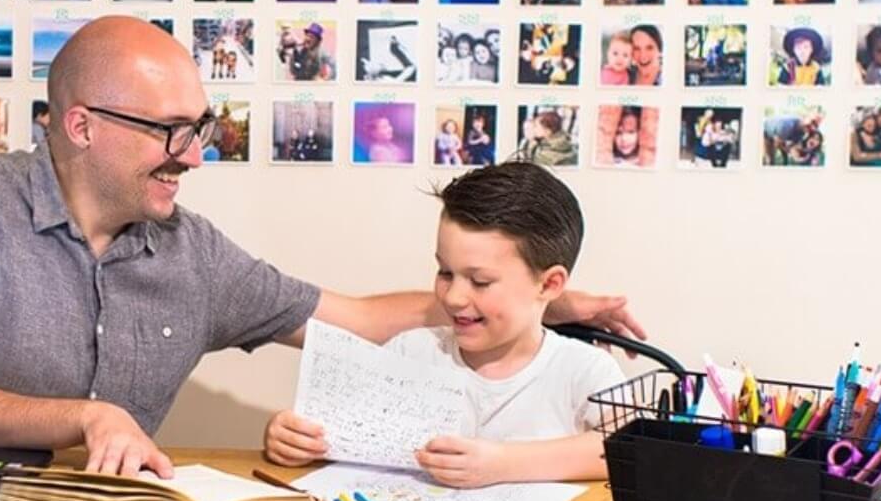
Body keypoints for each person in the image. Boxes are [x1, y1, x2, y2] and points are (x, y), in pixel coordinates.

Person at [0, 17, 642, 476]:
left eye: (202, 129)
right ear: (83, 127)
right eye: (170, 132)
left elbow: (355, 320)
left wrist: (531, 302)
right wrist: (86, 416)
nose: (193, 155)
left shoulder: (193, 253)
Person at [265, 161, 623, 484]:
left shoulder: (584, 371)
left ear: (549, 284)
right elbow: (333, 433)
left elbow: (630, 449)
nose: (452, 297)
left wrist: (504, 464)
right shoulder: (411, 353)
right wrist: (294, 439)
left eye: (480, 281)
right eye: (445, 272)